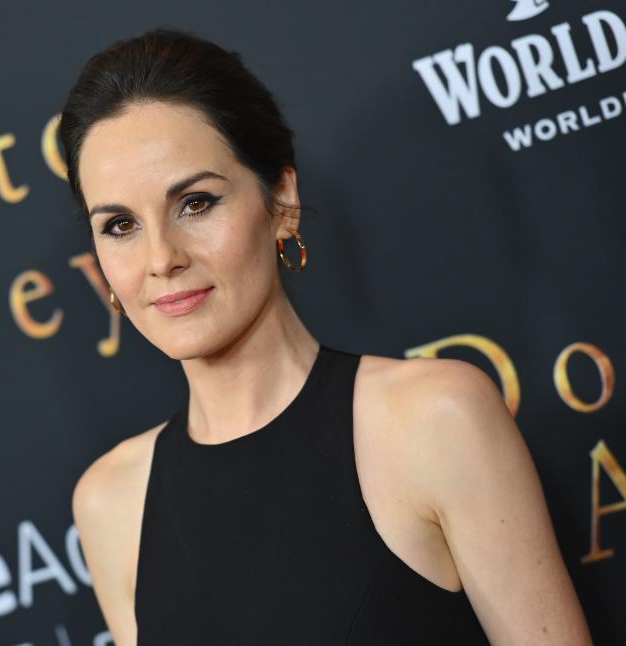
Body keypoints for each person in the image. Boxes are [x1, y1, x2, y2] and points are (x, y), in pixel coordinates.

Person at [58, 27, 592, 646]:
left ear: (281, 200)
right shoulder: (110, 503)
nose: (161, 258)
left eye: (196, 203)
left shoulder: (434, 419)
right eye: (120, 224)